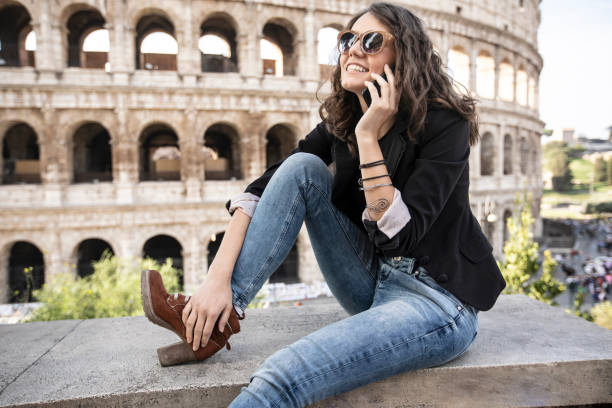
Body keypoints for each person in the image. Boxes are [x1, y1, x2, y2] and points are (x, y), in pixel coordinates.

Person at [141, 3, 506, 407]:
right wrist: (217, 279)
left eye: (371, 41)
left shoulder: (444, 124)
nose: (353, 50)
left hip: (437, 302)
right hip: (373, 279)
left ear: (405, 53)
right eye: (347, 40)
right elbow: (262, 189)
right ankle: (221, 320)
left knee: (282, 377)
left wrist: (369, 139)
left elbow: (401, 235)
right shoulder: (341, 121)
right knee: (301, 168)